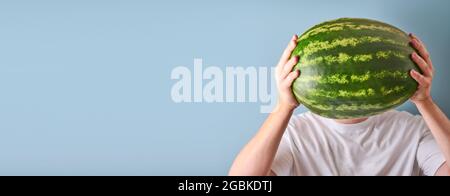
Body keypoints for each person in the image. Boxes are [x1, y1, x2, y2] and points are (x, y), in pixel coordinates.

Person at [229, 34, 450, 176]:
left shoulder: (413, 129)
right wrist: (282, 108)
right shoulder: (295, 133)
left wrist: (425, 102)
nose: (352, 78)